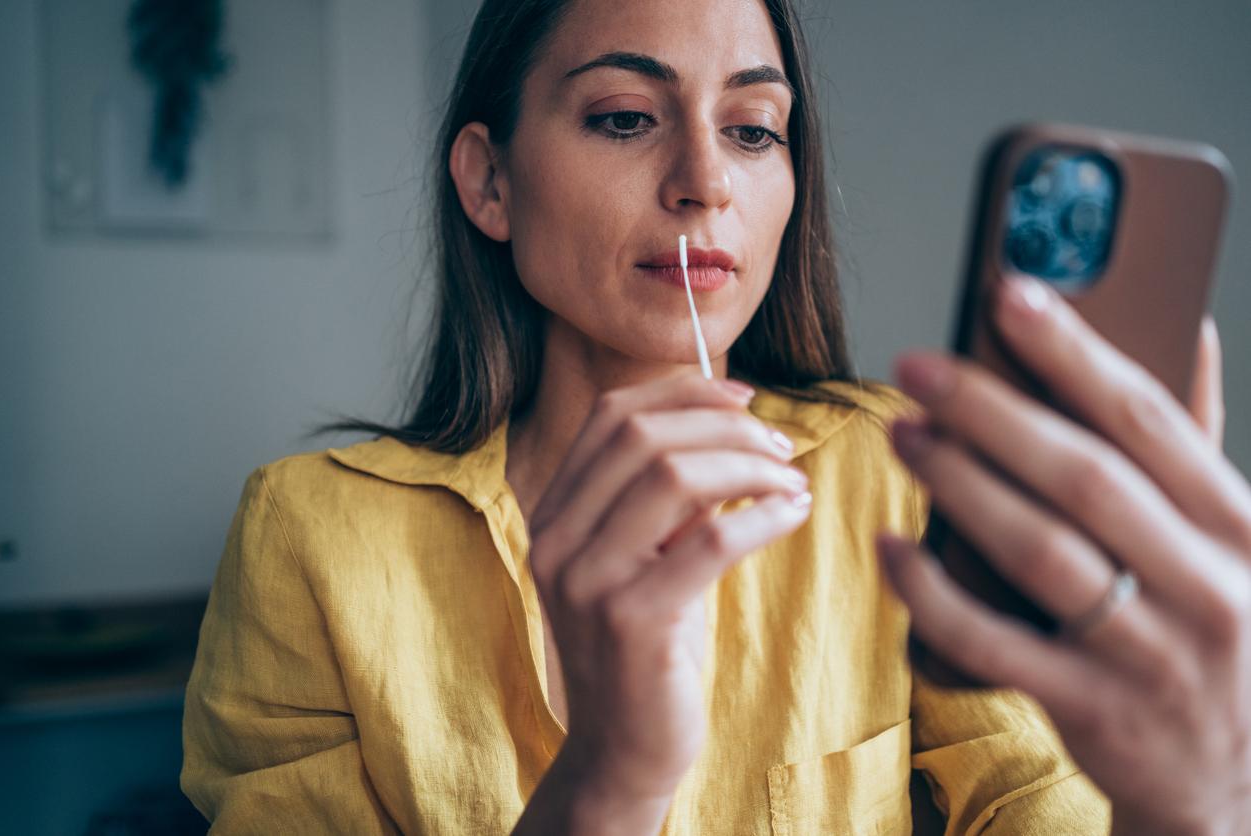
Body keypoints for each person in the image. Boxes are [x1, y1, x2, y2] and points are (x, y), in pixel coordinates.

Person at [180, 0, 1251, 833]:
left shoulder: (900, 470)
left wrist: (1194, 798)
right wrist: (611, 777)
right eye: (625, 118)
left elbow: (1041, 799)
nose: (703, 181)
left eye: (752, 129)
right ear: (490, 180)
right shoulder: (308, 534)